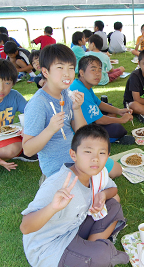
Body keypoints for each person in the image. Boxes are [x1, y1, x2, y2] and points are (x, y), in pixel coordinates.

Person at [20, 124, 129, 267]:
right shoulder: (58, 184)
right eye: (88, 152)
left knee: (113, 205)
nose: (95, 158)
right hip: (50, 247)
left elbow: (113, 189)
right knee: (101, 255)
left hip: (73, 227)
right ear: (73, 155)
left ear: (108, 156)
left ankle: (88, 249)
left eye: (101, 153)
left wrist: (103, 194)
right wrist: (53, 207)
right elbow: (25, 227)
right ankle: (99, 253)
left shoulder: (96, 174)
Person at [22, 44, 88, 180]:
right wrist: (50, 129)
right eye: (60, 68)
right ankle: (47, 182)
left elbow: (82, 133)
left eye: (70, 68)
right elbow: (28, 150)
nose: (67, 74)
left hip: (77, 157)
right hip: (57, 167)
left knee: (114, 171)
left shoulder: (66, 94)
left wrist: (77, 108)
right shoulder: (38, 103)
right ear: (45, 72)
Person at [69, 55, 134, 145]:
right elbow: (99, 120)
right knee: (118, 129)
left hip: (87, 119)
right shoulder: (80, 90)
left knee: (109, 107)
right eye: (93, 70)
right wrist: (121, 120)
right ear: (82, 73)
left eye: (99, 70)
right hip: (80, 130)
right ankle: (112, 139)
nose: (98, 73)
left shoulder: (81, 84)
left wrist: (119, 111)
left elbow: (98, 103)